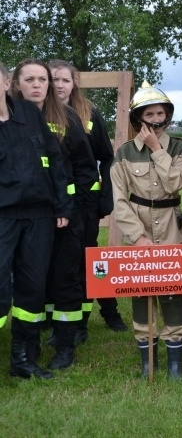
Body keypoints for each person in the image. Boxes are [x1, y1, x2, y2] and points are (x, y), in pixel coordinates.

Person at [12, 59, 98, 371]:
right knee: (32, 281)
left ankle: (65, 344)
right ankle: (29, 345)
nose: (37, 86)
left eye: (43, 80)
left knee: (65, 279)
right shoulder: (9, 117)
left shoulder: (67, 118)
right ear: (16, 84)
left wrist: (79, 209)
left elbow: (87, 168)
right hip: (24, 216)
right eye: (30, 80)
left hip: (66, 217)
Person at [110, 82, 182, 378]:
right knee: (140, 289)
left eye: (160, 113)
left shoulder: (179, 148)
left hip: (171, 224)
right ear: (137, 118)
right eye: (149, 114)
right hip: (139, 227)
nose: (156, 120)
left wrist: (158, 150)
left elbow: (175, 184)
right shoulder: (124, 153)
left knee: (172, 290)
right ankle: (147, 360)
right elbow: (119, 200)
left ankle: (175, 363)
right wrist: (138, 237)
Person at [1, 61, 71, 379]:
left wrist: (62, 206)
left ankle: (23, 360)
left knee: (31, 290)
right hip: (3, 217)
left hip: (40, 217)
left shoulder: (29, 113)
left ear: (5, 84)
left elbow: (54, 161)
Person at [50, 60, 128, 337]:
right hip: (53, 204)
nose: (59, 85)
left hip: (86, 204)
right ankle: (57, 320)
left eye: (65, 80)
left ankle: (107, 312)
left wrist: (105, 196)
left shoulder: (88, 113)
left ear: (74, 84)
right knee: (56, 263)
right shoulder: (39, 114)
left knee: (90, 261)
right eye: (54, 80)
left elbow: (106, 157)